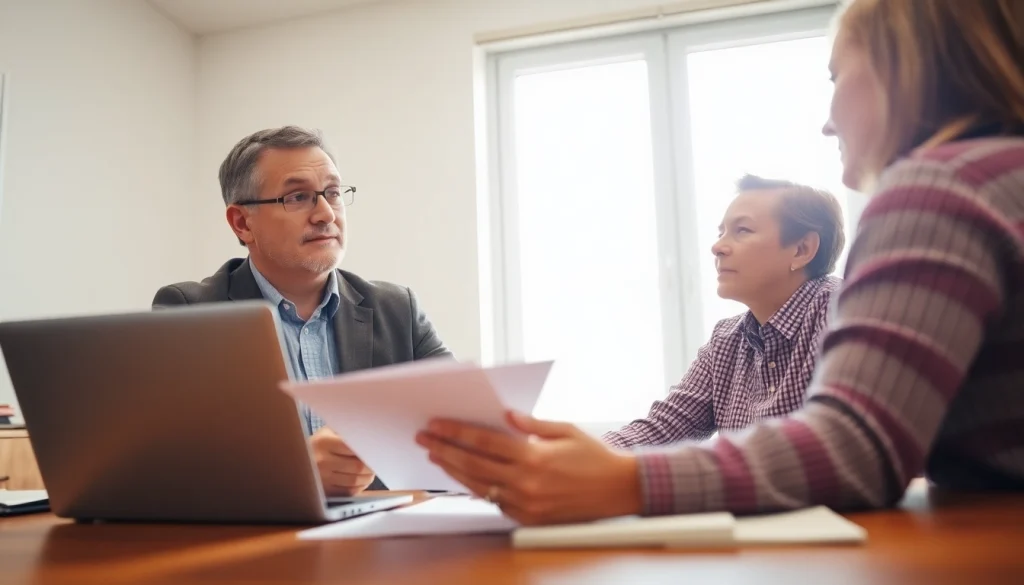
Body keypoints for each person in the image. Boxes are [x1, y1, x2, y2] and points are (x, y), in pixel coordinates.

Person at [417, 0, 1024, 525]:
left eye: (837, 75)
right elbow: (662, 426)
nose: (827, 117)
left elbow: (858, 446)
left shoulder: (937, 191)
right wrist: (562, 457)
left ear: (905, 67)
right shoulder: (996, 178)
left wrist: (620, 482)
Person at [154, 126, 451, 496]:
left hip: (381, 540)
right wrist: (294, 474)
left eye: (332, 193)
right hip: (258, 544)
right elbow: (167, 470)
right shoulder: (191, 314)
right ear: (242, 223)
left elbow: (462, 433)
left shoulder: (398, 310)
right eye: (297, 197)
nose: (326, 214)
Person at [605, 175, 844, 448]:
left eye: (742, 230)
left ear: (802, 250)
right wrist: (572, 457)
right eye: (721, 233)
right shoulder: (727, 339)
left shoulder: (841, 313)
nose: (717, 247)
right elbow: (665, 427)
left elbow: (830, 444)